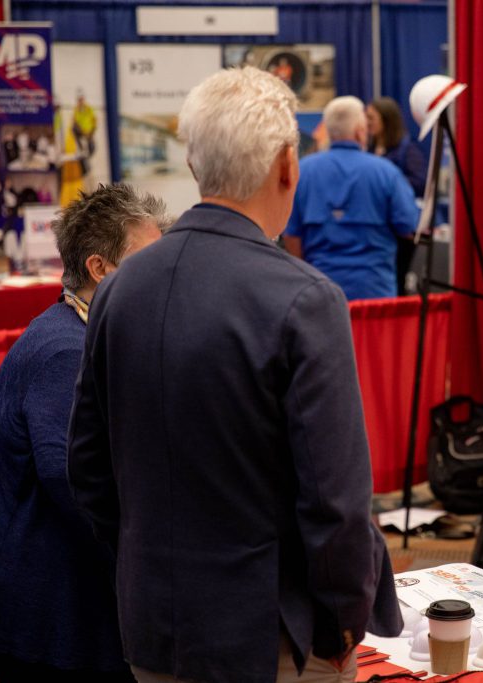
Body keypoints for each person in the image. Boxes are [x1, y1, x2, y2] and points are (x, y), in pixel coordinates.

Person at [67, 66, 402, 683]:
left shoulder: (117, 289)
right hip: (271, 636)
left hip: (152, 627)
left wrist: (150, 564)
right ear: (286, 167)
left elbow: (88, 467)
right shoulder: (305, 298)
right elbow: (336, 502)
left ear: (194, 167)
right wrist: (341, 623)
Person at [0, 183, 166, 682]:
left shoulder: (84, 330)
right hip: (24, 594)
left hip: (39, 578)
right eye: (149, 263)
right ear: (99, 268)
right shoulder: (65, 350)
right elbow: (76, 484)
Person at [283, 95, 418, 301]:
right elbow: (408, 227)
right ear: (359, 132)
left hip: (318, 295)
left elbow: (291, 235)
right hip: (375, 297)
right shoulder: (387, 173)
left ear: (328, 131)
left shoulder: (303, 172)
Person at [367, 96, 426, 294]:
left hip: (400, 229)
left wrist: (390, 186)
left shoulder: (406, 150)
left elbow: (421, 182)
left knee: (399, 280)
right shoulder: (368, 148)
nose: (367, 123)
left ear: (386, 119)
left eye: (372, 118)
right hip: (379, 226)